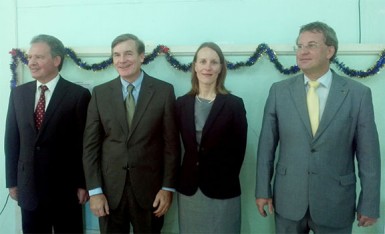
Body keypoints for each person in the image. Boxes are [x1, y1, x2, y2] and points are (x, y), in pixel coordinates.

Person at [255, 21, 381, 233]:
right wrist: (262, 190)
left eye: (311, 45)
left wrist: (369, 202)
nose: (302, 52)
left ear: (329, 50)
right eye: (299, 46)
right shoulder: (279, 92)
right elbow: (265, 148)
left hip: (336, 203)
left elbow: (369, 155)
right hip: (288, 201)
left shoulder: (357, 95)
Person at [82, 33, 180, 234]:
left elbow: (171, 145)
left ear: (141, 56)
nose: (122, 60)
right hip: (109, 193)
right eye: (116, 55)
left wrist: (167, 188)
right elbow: (90, 147)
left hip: (151, 192)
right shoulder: (100, 94)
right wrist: (95, 191)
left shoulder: (164, 91)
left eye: (128, 53)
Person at [5, 34, 91, 233]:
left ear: (56, 60)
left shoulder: (78, 95)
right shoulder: (19, 94)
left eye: (39, 57)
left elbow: (84, 144)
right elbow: (12, 140)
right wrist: (12, 181)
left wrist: (82, 183)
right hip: (28, 188)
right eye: (30, 57)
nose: (31, 62)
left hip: (66, 190)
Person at [176, 42, 248, 233]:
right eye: (203, 61)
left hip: (223, 189)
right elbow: (174, 148)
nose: (208, 67)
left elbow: (239, 151)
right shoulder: (181, 104)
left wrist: (224, 176)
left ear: (221, 68)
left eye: (214, 62)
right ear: (195, 67)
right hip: (190, 190)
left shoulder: (234, 105)